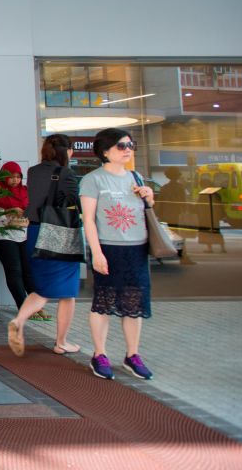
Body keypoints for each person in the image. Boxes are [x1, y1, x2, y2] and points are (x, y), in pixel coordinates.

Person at [80, 127, 155, 380]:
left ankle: (132, 355)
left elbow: (147, 211)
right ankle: (99, 354)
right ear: (105, 151)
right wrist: (97, 253)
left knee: (134, 303)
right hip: (108, 248)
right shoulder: (93, 180)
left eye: (130, 145)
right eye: (121, 146)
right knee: (103, 302)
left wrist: (150, 197)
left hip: (137, 249)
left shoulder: (136, 177)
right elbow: (88, 220)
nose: (128, 150)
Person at [7, 134, 81, 357]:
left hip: (33, 231)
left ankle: (19, 320)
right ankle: (61, 342)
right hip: (58, 233)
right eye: (71, 150)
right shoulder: (65, 173)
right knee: (68, 292)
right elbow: (75, 202)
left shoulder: (33, 171)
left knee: (42, 288)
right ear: (65, 151)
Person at [0, 162, 39, 317]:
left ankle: (35, 306)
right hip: (2, 235)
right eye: (11, 176)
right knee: (14, 270)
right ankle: (23, 307)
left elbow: (32, 210)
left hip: (21, 234)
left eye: (18, 176)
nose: (15, 180)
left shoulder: (25, 192)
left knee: (28, 271)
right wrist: (8, 212)